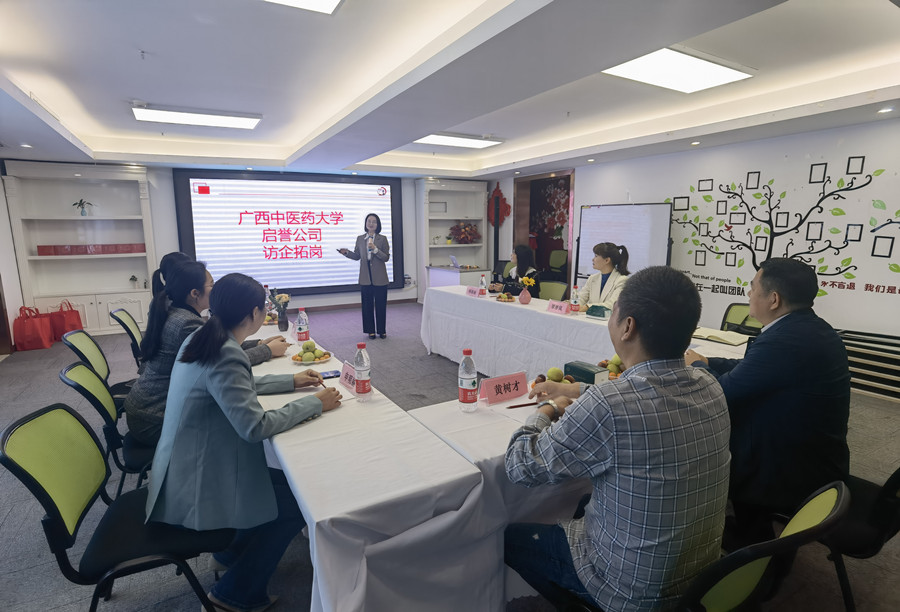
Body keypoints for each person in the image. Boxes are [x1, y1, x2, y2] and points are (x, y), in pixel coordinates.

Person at [505, 266, 731, 611]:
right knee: (584, 503)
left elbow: (520, 466)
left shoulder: (608, 406)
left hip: (630, 590)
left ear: (628, 327)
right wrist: (572, 390)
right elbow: (635, 393)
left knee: (511, 539)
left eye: (614, 312)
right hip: (702, 578)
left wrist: (546, 409)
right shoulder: (710, 384)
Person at [145, 273, 342, 612]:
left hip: (183, 467)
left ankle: (230, 553)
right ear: (253, 313)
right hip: (196, 484)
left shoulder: (204, 336)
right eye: (264, 308)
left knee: (284, 483)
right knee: (297, 501)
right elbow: (254, 427)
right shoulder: (224, 352)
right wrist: (314, 404)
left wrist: (290, 381)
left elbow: (230, 386)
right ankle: (234, 595)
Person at [685, 257, 850, 545]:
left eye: (753, 287)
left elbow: (722, 393)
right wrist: (708, 361)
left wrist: (697, 367)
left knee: (704, 443)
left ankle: (750, 542)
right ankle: (744, 526)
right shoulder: (807, 328)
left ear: (773, 299)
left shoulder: (787, 339)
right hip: (814, 451)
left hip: (795, 467)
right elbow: (751, 366)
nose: (749, 294)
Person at [124, 260, 289, 446]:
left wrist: (258, 344)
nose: (215, 288)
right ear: (195, 293)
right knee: (242, 426)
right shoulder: (187, 325)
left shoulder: (176, 313)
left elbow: (221, 348)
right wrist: (267, 350)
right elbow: (225, 362)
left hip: (147, 405)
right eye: (211, 284)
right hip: (154, 416)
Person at [339, 213, 390, 339]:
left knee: (380, 305)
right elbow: (357, 256)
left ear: (378, 225)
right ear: (366, 223)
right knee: (367, 305)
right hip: (365, 276)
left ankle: (381, 330)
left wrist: (375, 249)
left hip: (380, 276)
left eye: (374, 221)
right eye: (369, 221)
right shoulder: (360, 239)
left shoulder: (382, 239)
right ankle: (370, 331)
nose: (371, 224)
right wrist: (347, 253)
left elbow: (386, 257)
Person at [575, 242, 629, 310]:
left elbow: (612, 304)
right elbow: (581, 298)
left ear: (607, 260)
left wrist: (586, 307)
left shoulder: (622, 280)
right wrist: (570, 303)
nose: (593, 259)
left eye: (596, 256)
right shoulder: (592, 278)